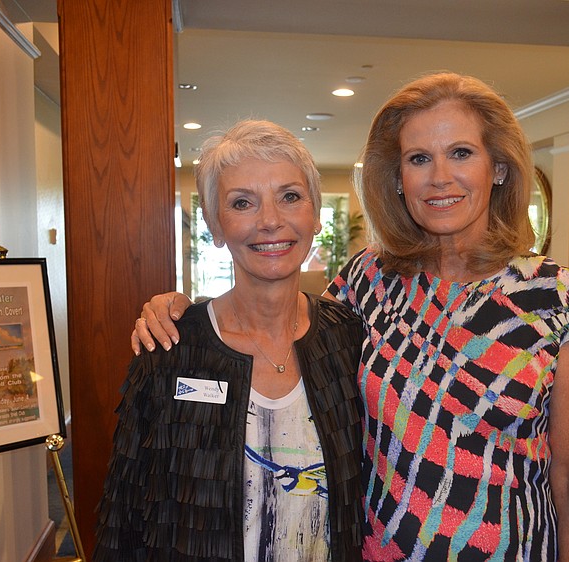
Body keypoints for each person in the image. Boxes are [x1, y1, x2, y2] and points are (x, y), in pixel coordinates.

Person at [134, 72, 569, 561]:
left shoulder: (556, 295)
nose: (440, 176)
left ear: (499, 168)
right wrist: (183, 309)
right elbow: (281, 318)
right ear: (398, 178)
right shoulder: (369, 280)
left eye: (461, 153)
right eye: (418, 158)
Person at [94, 120, 366, 561]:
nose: (271, 221)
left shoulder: (350, 338)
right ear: (215, 226)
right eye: (243, 203)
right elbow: (122, 517)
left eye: (290, 197)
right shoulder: (170, 346)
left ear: (315, 215)